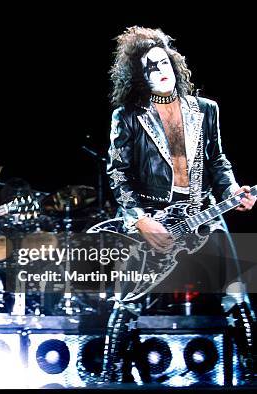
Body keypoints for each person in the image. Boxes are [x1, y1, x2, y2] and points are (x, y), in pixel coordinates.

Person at [103, 26, 256, 383]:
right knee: (126, 303)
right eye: (150, 67)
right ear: (139, 79)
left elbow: (218, 162)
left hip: (202, 213)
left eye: (164, 61)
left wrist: (234, 190)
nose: (161, 69)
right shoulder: (127, 116)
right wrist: (139, 220)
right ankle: (108, 378)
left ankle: (251, 376)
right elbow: (118, 175)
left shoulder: (205, 110)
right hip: (152, 219)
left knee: (238, 299)